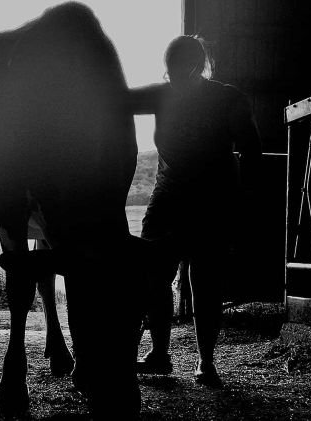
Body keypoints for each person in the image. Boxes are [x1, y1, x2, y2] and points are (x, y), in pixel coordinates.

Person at [130, 35, 261, 386]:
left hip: (205, 199)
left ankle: (204, 361)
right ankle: (165, 355)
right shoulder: (177, 94)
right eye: (168, 70)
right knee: (159, 276)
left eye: (177, 69)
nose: (172, 76)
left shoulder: (226, 98)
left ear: (194, 66)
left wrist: (244, 203)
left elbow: (251, 151)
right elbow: (118, 98)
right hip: (181, 198)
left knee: (200, 279)